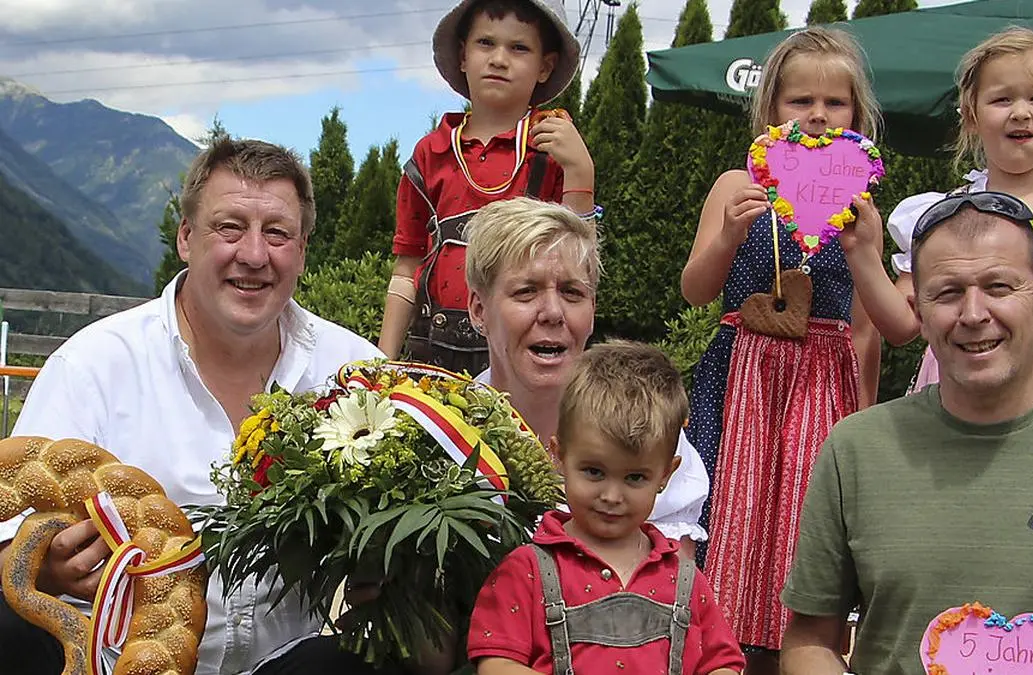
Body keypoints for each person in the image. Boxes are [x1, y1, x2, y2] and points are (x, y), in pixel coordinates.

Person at [0, 139, 388, 675]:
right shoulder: (92, 366)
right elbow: (7, 542)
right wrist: (49, 569)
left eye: (277, 233)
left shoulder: (360, 375)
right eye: (229, 228)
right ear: (186, 238)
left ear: (302, 249)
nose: (254, 255)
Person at [779, 192, 1033, 675]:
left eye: (999, 287)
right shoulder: (856, 450)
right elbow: (809, 640)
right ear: (920, 308)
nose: (974, 314)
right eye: (948, 292)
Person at [679, 26, 882, 671]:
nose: (818, 115)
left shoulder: (860, 198)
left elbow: (876, 321)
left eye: (835, 103)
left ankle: (799, 648)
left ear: (857, 114)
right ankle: (717, 643)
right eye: (800, 102)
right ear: (770, 110)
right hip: (741, 372)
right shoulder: (736, 184)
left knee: (807, 514)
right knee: (728, 506)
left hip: (821, 377)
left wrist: (861, 246)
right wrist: (728, 237)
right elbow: (695, 291)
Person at [843, 26, 1033, 408]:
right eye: (1002, 99)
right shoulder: (936, 217)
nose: (1020, 113)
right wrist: (861, 254)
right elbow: (903, 326)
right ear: (971, 116)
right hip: (953, 387)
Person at [467, 341, 745, 675]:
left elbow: (724, 663)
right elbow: (496, 664)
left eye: (635, 477)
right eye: (594, 472)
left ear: (665, 475)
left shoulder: (683, 578)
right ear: (558, 455)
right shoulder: (527, 570)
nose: (612, 496)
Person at [463, 196, 710, 550]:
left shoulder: (644, 419)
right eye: (526, 292)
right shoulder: (442, 433)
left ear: (592, 311)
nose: (552, 312)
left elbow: (675, 589)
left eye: (572, 293)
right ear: (478, 309)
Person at [379, 0, 596, 376]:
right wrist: (381, 362)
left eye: (519, 48)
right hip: (430, 348)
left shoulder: (554, 149)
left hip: (523, 351)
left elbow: (580, 270)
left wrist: (581, 172)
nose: (499, 59)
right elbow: (407, 267)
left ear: (545, 66)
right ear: (463, 56)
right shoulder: (430, 154)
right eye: (485, 43)